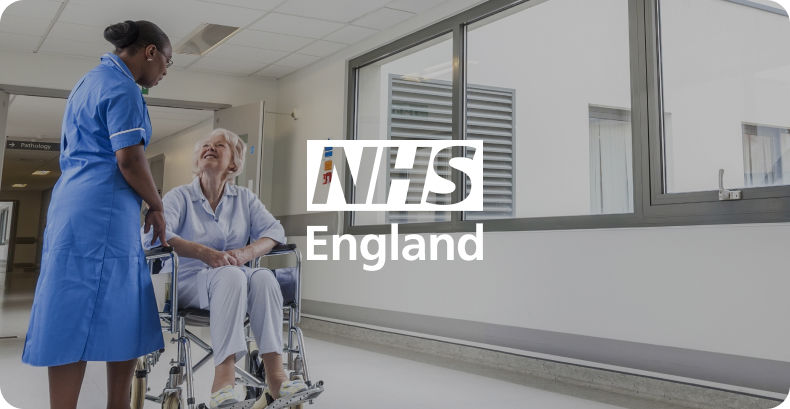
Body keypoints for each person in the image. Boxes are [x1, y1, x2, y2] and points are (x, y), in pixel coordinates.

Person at [22, 20, 172, 409]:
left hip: (72, 206)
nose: (165, 73)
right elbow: (130, 159)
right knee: (123, 308)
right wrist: (156, 204)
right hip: (102, 210)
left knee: (70, 308)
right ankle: (117, 405)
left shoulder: (87, 82)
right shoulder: (124, 87)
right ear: (150, 52)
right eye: (166, 63)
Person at [142, 128, 307, 409]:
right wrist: (205, 253)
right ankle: (223, 380)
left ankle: (276, 375)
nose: (210, 148)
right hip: (190, 281)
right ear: (197, 160)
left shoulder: (244, 198)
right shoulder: (179, 197)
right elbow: (157, 235)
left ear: (233, 163)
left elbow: (275, 231)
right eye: (205, 146)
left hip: (235, 280)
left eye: (219, 145)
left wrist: (246, 252)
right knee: (231, 275)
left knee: (264, 277)